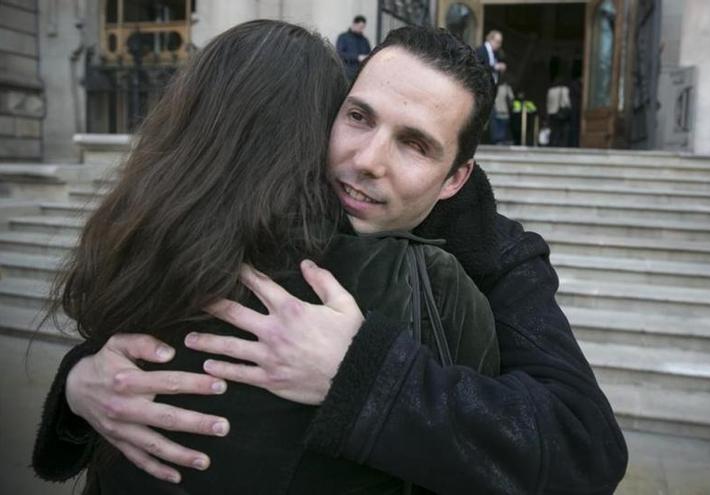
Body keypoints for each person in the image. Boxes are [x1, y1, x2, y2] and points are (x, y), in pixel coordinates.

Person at [33, 26, 628, 494]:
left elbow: (585, 451)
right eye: (359, 117)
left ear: (455, 178)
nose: (367, 159)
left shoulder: (496, 257)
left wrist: (361, 376)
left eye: (415, 144)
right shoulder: (278, 199)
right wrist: (81, 383)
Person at [336, 15, 371, 81]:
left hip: (361, 75)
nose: (361, 29)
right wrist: (357, 57)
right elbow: (340, 54)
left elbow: (369, 54)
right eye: (360, 27)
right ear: (354, 24)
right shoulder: (343, 37)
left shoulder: (365, 40)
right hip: (347, 74)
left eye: (363, 27)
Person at [547, 77, 573, 147]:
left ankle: (552, 143)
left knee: (553, 129)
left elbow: (548, 102)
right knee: (562, 130)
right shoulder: (564, 89)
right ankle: (560, 144)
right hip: (560, 112)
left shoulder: (550, 90)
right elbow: (566, 101)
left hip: (552, 113)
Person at [491, 75, 514, 144]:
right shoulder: (507, 88)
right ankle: (501, 139)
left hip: (495, 108)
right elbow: (511, 98)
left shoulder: (495, 87)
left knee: (497, 125)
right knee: (503, 125)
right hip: (503, 109)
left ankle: (497, 139)